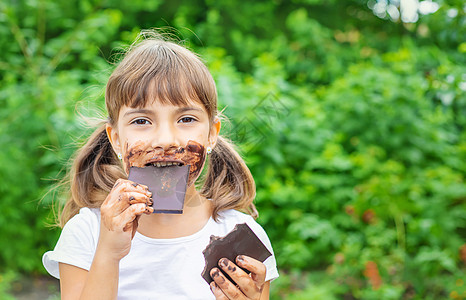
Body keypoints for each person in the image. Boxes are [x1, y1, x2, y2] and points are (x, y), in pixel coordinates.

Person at [42, 32, 279, 300]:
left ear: (212, 134)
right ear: (116, 139)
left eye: (186, 118)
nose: (165, 140)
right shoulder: (87, 233)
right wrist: (108, 253)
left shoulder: (240, 240)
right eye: (142, 121)